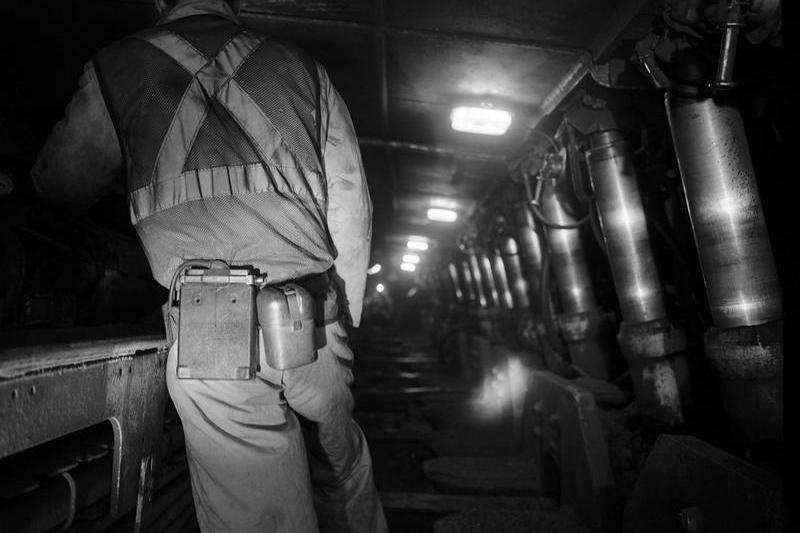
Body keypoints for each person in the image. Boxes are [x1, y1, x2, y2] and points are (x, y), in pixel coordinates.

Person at [30, 0, 388, 531]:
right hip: (311, 312)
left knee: (262, 512)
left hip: (213, 327)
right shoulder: (301, 67)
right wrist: (342, 317)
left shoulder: (119, 66)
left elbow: (62, 184)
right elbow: (351, 205)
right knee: (341, 470)